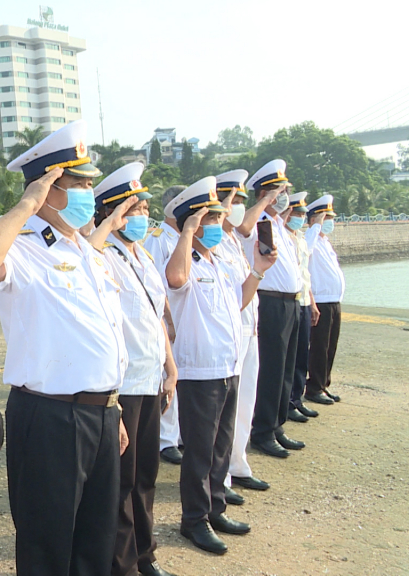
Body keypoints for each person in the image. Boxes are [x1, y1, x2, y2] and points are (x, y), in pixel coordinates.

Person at [0, 120, 129, 576]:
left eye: (90, 184)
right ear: (48, 189)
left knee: (96, 541)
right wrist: (26, 206)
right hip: (51, 417)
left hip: (101, 414)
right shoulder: (23, 249)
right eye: (79, 184)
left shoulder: (86, 251)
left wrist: (112, 409)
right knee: (47, 547)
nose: (89, 193)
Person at [163, 177, 276, 555]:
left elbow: (238, 301)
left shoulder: (220, 260)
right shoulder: (185, 260)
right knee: (199, 451)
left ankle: (215, 508)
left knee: (221, 445)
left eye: (216, 217)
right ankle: (194, 519)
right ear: (192, 223)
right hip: (200, 371)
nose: (217, 223)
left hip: (228, 365)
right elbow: (175, 279)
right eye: (209, 218)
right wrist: (187, 233)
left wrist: (258, 270)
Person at [90, 163, 178, 576]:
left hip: (150, 379)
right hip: (122, 383)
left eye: (144, 208)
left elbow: (155, 316)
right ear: (114, 214)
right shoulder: (102, 255)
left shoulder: (143, 256)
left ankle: (146, 554)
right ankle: (122, 563)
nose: (143, 215)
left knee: (145, 474)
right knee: (121, 480)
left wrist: (170, 367)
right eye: (134, 208)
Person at [214, 170, 275, 496]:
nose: (238, 206)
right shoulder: (211, 243)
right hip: (230, 332)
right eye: (233, 200)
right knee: (226, 411)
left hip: (249, 329)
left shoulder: (233, 241)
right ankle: (220, 477)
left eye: (241, 200)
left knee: (245, 403)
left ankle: (237, 463)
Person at [244, 160, 307, 459]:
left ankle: (277, 424)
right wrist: (265, 201)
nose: (285, 197)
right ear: (265, 194)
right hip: (271, 301)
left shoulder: (279, 224)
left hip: (291, 302)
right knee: (271, 370)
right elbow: (243, 228)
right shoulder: (258, 220)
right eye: (280, 192)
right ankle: (263, 431)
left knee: (285, 369)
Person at [144, 184, 187, 466]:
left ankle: (179, 434)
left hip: (187, 318)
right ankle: (166, 439)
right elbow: (157, 287)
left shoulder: (186, 238)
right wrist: (168, 320)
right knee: (167, 377)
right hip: (167, 319)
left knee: (181, 376)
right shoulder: (159, 240)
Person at [283, 192, 322, 423]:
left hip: (304, 300)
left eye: (302, 214)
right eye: (296, 213)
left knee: (301, 355)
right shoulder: (284, 238)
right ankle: (287, 402)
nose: (299, 218)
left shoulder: (299, 238)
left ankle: (296, 399)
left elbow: (304, 275)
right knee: (290, 356)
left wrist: (312, 303)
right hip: (292, 301)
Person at [304, 195, 345, 405]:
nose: (329, 221)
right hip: (320, 300)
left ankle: (323, 384)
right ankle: (314, 387)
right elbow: (305, 253)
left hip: (334, 300)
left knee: (330, 346)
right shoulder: (309, 239)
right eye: (325, 217)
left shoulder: (324, 242)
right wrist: (315, 227)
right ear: (314, 219)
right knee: (319, 347)